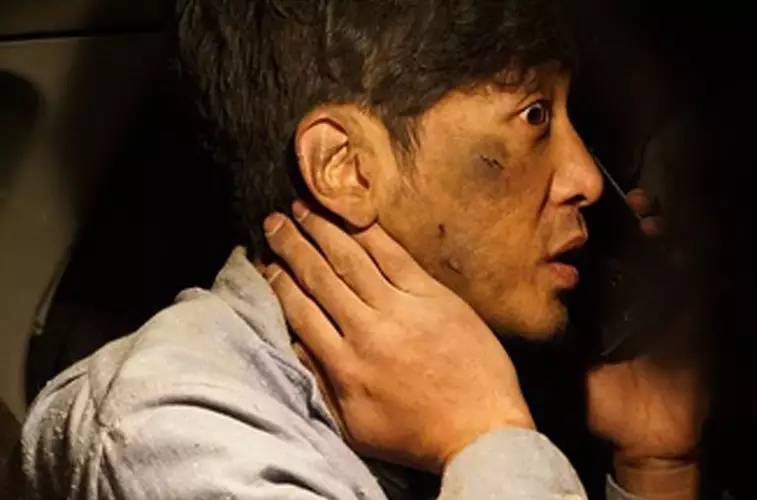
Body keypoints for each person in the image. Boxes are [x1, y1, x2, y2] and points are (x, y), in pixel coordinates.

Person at [16, 1, 705, 498]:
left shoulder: (440, 393)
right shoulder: (173, 430)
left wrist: (656, 464)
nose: (587, 177)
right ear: (345, 167)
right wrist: (488, 438)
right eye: (534, 116)